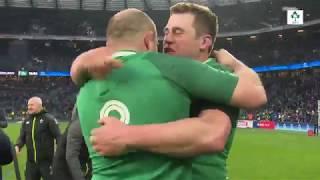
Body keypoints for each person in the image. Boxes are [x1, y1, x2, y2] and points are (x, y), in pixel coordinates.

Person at [72, 3, 267, 180]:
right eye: (166, 32)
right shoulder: (159, 71)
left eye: (178, 32)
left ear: (204, 42)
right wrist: (82, 61)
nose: (167, 40)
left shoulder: (217, 74)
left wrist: (236, 64)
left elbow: (213, 134)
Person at [15, 96, 61, 180]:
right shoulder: (26, 121)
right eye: (28, 105)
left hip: (47, 162)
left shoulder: (49, 119)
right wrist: (18, 146)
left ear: (39, 105)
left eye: (32, 105)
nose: (29, 107)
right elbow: (22, 137)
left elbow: (58, 136)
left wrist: (59, 152)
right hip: (31, 163)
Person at [52, 105, 91, 180]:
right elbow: (71, 157)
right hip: (64, 170)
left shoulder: (78, 125)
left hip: (71, 166)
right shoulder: (77, 127)